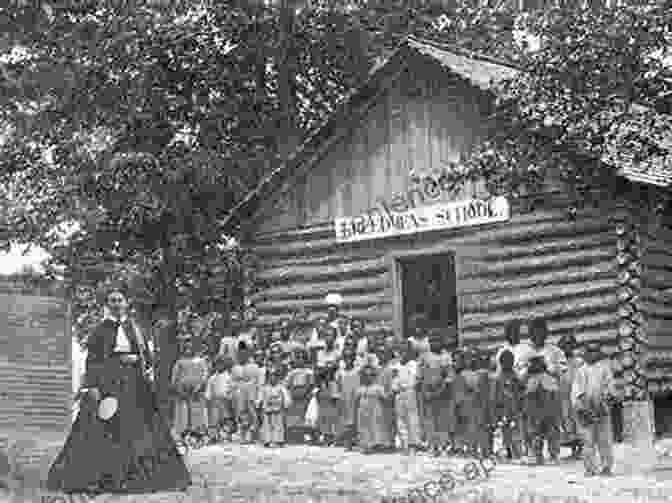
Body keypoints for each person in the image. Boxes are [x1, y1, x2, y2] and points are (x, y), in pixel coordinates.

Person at [47, 284, 190, 494]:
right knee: (105, 427)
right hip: (109, 385)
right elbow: (93, 361)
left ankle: (140, 475)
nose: (116, 304)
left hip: (134, 385)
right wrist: (93, 386)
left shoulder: (135, 329)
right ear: (108, 304)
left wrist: (137, 359)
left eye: (120, 300)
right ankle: (104, 476)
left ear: (126, 303)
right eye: (112, 300)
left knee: (140, 426)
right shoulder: (100, 330)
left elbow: (147, 359)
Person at [571, 342, 617, 477]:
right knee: (587, 440)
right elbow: (576, 390)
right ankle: (589, 467)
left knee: (604, 439)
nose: (592, 354)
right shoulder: (581, 370)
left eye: (594, 352)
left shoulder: (604, 369)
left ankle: (606, 467)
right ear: (585, 354)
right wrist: (581, 406)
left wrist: (608, 398)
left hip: (601, 406)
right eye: (589, 352)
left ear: (598, 354)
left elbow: (610, 387)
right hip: (585, 407)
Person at [171, 335, 210, 443]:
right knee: (182, 412)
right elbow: (175, 377)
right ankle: (182, 433)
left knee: (197, 411)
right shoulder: (180, 362)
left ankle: (197, 433)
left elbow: (205, 375)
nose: (188, 348)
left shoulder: (201, 361)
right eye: (186, 346)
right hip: (183, 392)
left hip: (197, 392)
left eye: (190, 346)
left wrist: (199, 386)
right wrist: (178, 388)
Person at [524, 354, 562, 465]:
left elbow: (554, 396)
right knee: (537, 434)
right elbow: (527, 397)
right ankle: (539, 455)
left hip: (547, 411)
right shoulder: (530, 379)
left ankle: (553, 454)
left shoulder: (548, 378)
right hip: (536, 411)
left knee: (550, 433)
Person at [390, 339, 422, 455]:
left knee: (411, 417)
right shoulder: (396, 365)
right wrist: (395, 389)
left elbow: (414, 380)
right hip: (399, 393)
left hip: (409, 392)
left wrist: (404, 385)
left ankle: (414, 444)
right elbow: (394, 380)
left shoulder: (413, 364)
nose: (403, 353)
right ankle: (405, 443)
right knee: (400, 418)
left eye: (405, 351)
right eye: (401, 351)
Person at [492, 349, 524, 461]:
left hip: (514, 407)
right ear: (501, 362)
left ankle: (517, 451)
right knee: (504, 430)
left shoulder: (515, 376)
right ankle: (506, 451)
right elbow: (494, 394)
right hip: (502, 407)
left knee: (516, 429)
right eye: (505, 361)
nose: (507, 363)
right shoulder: (497, 377)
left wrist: (520, 402)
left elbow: (521, 390)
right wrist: (495, 408)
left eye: (510, 361)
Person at [558, 333, 584, 459]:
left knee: (578, 419)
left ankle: (581, 448)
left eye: (570, 346)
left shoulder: (578, 362)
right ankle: (573, 449)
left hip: (575, 395)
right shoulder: (560, 362)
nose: (567, 348)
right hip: (563, 396)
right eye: (565, 346)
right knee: (566, 420)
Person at [356, 357, 389, 454]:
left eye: (370, 375)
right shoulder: (360, 388)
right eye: (366, 375)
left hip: (375, 409)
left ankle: (375, 444)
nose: (368, 377)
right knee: (363, 426)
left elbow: (385, 398)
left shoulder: (378, 387)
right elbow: (356, 400)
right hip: (363, 409)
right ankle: (365, 444)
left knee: (375, 425)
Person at [231, 342, 262, 444]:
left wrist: (257, 396)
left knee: (252, 413)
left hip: (251, 393)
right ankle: (242, 433)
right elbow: (233, 382)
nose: (242, 355)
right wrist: (234, 391)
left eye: (244, 353)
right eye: (240, 353)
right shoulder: (235, 368)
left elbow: (258, 383)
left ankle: (253, 434)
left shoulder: (254, 367)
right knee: (240, 413)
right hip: (239, 393)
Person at [284, 348, 317, 444]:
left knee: (306, 417)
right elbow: (287, 384)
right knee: (294, 417)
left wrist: (307, 393)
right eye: (298, 358)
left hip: (305, 396)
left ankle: (308, 435)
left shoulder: (308, 372)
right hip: (294, 396)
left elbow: (312, 384)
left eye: (302, 358)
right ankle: (295, 436)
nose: (300, 360)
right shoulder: (291, 372)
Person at [334, 346, 361, 450]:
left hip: (356, 397)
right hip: (345, 399)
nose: (348, 359)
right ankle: (347, 442)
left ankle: (358, 440)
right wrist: (337, 396)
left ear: (354, 358)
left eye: (350, 357)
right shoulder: (340, 372)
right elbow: (337, 386)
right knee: (346, 421)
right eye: (346, 357)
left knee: (357, 419)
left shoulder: (358, 371)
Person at [257, 366, 291, 448]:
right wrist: (258, 403)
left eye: (274, 376)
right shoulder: (264, 387)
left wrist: (286, 403)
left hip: (278, 408)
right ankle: (267, 440)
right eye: (270, 376)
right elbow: (260, 396)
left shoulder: (281, 387)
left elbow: (286, 396)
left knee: (278, 424)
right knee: (266, 424)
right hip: (267, 408)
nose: (272, 378)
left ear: (277, 377)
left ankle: (279, 440)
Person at [205, 355, 235, 443]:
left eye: (221, 364)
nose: (219, 366)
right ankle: (214, 435)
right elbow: (209, 389)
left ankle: (226, 435)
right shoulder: (212, 378)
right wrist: (208, 397)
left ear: (225, 365)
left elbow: (231, 388)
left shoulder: (228, 377)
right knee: (214, 419)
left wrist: (230, 396)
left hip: (225, 400)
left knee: (226, 418)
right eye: (217, 364)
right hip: (214, 400)